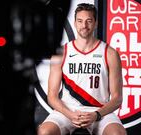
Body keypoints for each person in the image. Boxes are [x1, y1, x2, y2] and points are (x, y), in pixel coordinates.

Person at [37, 3, 126, 135]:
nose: (84, 25)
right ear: (75, 23)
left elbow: (117, 98)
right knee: (44, 132)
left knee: (118, 133)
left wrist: (96, 114)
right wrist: (70, 114)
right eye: (80, 21)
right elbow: (52, 96)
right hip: (68, 110)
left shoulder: (110, 53)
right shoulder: (62, 52)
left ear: (95, 23)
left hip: (100, 111)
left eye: (89, 21)